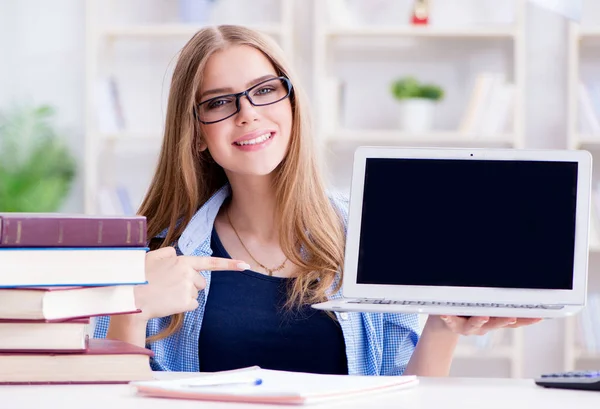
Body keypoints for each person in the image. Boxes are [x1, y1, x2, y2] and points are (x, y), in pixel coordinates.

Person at [94, 25, 541, 376]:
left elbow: (406, 396)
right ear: (195, 134)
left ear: (292, 104)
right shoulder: (153, 253)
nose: (248, 112)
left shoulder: (372, 236)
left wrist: (445, 324)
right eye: (218, 102)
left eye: (264, 90)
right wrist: (130, 309)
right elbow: (113, 397)